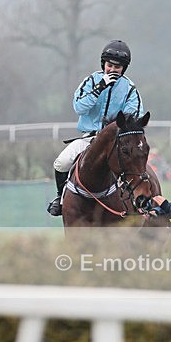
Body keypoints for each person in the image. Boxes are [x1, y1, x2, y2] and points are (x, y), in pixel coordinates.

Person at [48, 40, 144, 215]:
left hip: (116, 142)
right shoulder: (91, 81)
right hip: (89, 138)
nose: (113, 70)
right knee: (61, 163)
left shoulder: (129, 89)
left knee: (132, 168)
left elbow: (133, 117)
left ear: (124, 68)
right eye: (109, 65)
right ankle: (60, 198)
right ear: (103, 64)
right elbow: (79, 107)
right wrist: (100, 87)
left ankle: (138, 203)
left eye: (117, 67)